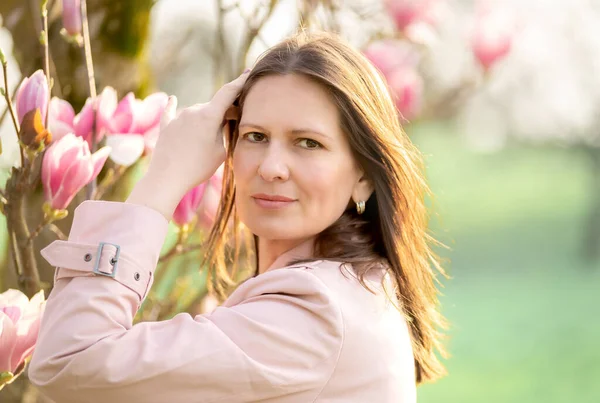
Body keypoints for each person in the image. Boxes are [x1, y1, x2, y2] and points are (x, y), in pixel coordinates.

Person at [29, 31, 447, 403]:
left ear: (363, 178)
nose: (271, 167)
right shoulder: (356, 288)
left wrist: (162, 181)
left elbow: (69, 358)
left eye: (308, 143)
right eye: (255, 137)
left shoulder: (314, 314)